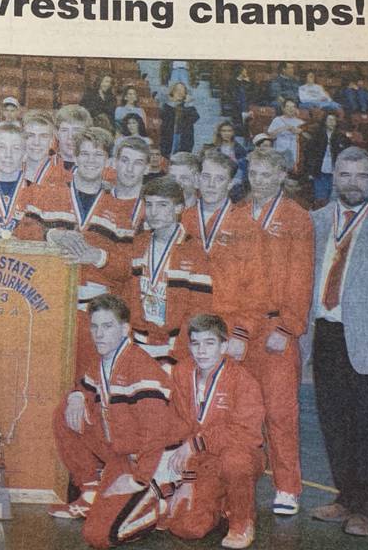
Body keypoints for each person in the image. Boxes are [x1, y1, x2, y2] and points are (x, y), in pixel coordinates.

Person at [48, 294, 188, 549]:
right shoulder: (106, 359)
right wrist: (78, 395)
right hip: (123, 451)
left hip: (152, 458)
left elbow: (154, 434)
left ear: (125, 329)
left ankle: (157, 500)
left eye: (107, 326)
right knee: (64, 411)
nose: (99, 334)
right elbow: (86, 383)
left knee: (98, 536)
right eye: (95, 326)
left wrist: (138, 478)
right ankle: (90, 492)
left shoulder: (141, 368)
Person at [308, 146, 368, 537]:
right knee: (334, 421)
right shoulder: (317, 220)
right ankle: (345, 497)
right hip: (327, 333)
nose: (353, 183)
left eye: (362, 175)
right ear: (334, 177)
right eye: (345, 175)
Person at [242, 149, 313, 516]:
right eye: (254, 172)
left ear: (282, 175)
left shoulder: (296, 218)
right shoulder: (238, 214)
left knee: (280, 412)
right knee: (241, 412)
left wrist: (287, 326)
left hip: (275, 328)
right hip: (242, 328)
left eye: (268, 174)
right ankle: (241, 481)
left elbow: (302, 278)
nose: (260, 179)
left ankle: (287, 487)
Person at [25, 127, 133, 372]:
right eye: (85, 154)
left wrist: (98, 257)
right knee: (44, 377)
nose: (91, 161)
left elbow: (127, 268)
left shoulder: (118, 211)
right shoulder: (48, 194)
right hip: (49, 304)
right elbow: (23, 230)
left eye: (98, 155)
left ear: (107, 161)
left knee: (87, 382)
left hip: (93, 314)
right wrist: (52, 234)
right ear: (75, 156)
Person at [162, 314, 265, 550]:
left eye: (209, 343)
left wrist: (196, 443)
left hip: (238, 455)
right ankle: (220, 499)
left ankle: (242, 521)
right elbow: (176, 425)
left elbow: (247, 434)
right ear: (188, 346)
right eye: (195, 343)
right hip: (201, 461)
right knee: (187, 527)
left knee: (235, 461)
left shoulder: (243, 380)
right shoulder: (181, 372)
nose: (201, 351)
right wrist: (186, 478)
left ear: (224, 345)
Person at [181, 149, 265, 362]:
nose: (210, 184)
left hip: (226, 324)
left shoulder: (247, 227)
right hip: (185, 322)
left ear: (229, 184)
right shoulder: (181, 221)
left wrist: (241, 332)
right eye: (206, 177)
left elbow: (256, 285)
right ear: (197, 179)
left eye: (219, 179)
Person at [124, 177, 211, 365]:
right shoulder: (139, 244)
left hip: (173, 348)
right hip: (137, 343)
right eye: (149, 205)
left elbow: (199, 309)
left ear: (179, 208)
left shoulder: (193, 251)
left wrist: (178, 354)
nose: (153, 213)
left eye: (162, 205)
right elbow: (129, 295)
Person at [303, 112, 351, 205]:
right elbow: (309, 154)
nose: (331, 122)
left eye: (333, 120)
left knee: (334, 200)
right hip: (319, 170)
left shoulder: (341, 137)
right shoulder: (317, 136)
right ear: (325, 121)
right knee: (321, 199)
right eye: (329, 120)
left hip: (335, 172)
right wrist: (310, 171)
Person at [21, 110, 67, 187]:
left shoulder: (64, 174)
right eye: (31, 135)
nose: (36, 142)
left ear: (52, 140)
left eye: (43, 136)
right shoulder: (10, 170)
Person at [112, 136, 150, 229]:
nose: (130, 169)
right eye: (125, 161)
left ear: (147, 168)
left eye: (138, 163)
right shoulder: (101, 198)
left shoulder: (153, 206)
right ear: (114, 163)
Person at [159, 82, 199, 158]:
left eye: (182, 90)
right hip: (169, 138)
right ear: (172, 92)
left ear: (185, 94)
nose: (180, 92)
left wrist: (188, 103)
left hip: (184, 139)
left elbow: (195, 118)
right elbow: (163, 116)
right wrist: (173, 102)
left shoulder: (188, 107)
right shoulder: (167, 106)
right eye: (177, 90)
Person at [267, 99, 307, 172]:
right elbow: (270, 136)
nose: (290, 109)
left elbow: (308, 137)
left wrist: (300, 132)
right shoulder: (277, 120)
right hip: (280, 153)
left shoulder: (301, 122)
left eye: (293, 107)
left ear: (296, 109)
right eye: (288, 107)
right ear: (283, 108)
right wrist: (284, 128)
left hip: (294, 154)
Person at [211, 121, 248, 200]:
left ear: (233, 133)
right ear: (219, 132)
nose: (226, 133)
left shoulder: (239, 148)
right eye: (224, 131)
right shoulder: (215, 148)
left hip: (235, 179)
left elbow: (242, 168)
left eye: (229, 131)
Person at [52, 104, 93, 172]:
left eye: (77, 130)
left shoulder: (97, 169)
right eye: (64, 130)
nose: (70, 137)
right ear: (56, 134)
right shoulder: (44, 165)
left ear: (88, 134)